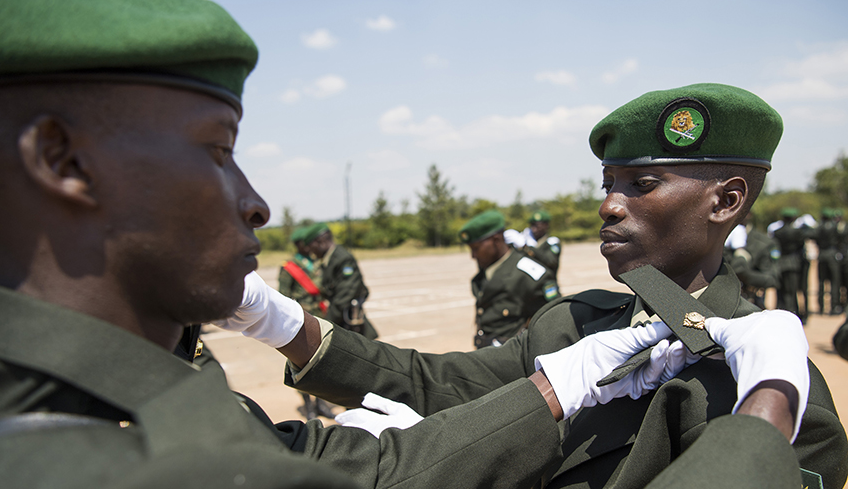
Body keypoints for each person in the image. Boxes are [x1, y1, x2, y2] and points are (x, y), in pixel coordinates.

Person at [258, 84, 847, 488]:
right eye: (607, 183)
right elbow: (433, 384)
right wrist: (283, 325)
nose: (611, 204)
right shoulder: (574, 326)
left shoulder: (777, 393)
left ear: (726, 201)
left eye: (643, 182)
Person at [460, 210, 560, 348]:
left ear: (496, 240)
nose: (473, 255)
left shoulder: (529, 274)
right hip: (485, 353)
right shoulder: (486, 271)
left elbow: (553, 320)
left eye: (476, 248)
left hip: (512, 359)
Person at [277, 225, 332, 420]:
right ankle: (308, 405)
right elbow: (283, 296)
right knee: (301, 363)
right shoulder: (290, 267)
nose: (309, 246)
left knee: (323, 362)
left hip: (320, 318)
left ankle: (321, 403)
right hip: (300, 322)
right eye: (305, 243)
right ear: (298, 245)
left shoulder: (317, 263)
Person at [305, 223, 378, 339]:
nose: (312, 252)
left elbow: (345, 295)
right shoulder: (328, 260)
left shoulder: (343, 259)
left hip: (349, 325)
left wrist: (325, 326)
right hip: (341, 321)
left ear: (320, 242)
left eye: (312, 247)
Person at [724, 214, 779, 309]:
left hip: (750, 303)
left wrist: (744, 274)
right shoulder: (714, 238)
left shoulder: (763, 243)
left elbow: (772, 278)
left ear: (748, 214)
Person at [773, 208, 815, 321]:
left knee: (782, 291)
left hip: (781, 263)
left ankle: (782, 313)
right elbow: (801, 246)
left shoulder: (777, 232)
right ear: (794, 218)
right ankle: (792, 314)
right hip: (794, 263)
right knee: (791, 292)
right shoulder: (797, 232)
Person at [505, 210, 563, 277]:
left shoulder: (552, 242)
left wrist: (526, 247)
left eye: (537, 226)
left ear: (546, 225)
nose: (534, 229)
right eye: (532, 225)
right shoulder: (526, 240)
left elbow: (550, 261)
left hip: (546, 283)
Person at [815, 208, 844, 315]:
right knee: (835, 281)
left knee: (822, 281)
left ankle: (821, 307)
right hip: (832, 254)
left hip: (822, 254)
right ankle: (834, 306)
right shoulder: (836, 227)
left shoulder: (819, 227)